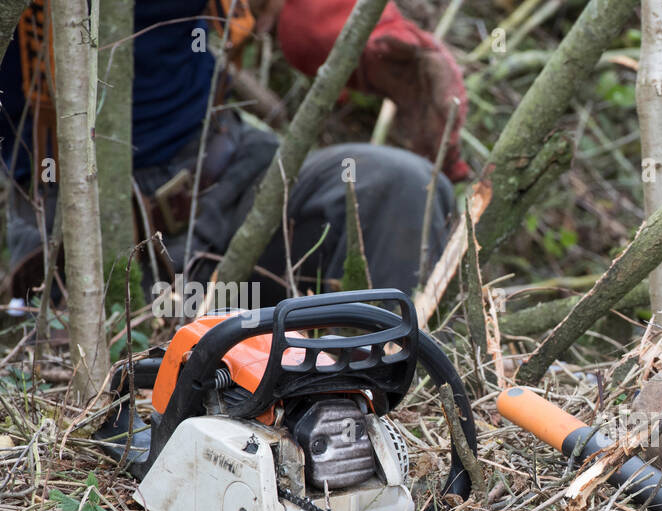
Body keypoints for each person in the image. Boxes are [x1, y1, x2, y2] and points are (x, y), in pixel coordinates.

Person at [1, 0, 471, 308]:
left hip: (235, 185)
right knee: (140, 385)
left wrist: (378, 44)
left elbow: (310, 11)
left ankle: (364, 397)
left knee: (402, 185)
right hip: (76, 242)